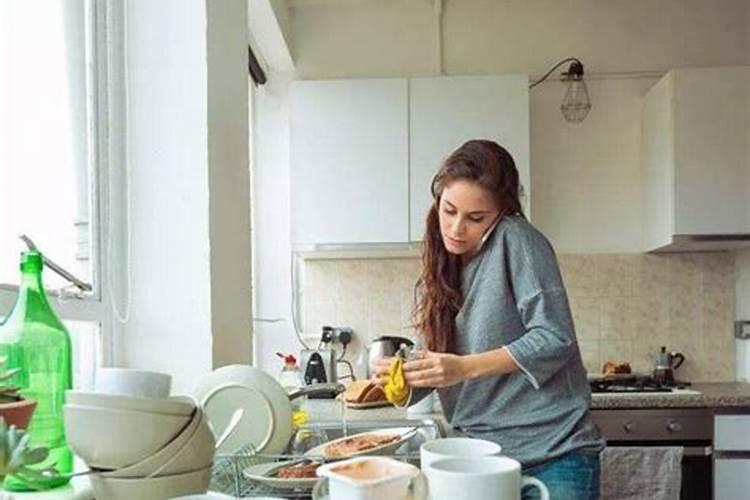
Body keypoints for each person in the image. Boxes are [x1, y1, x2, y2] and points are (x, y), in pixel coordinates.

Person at [375, 139, 604, 500]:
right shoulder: (442, 264)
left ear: (501, 212)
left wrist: (463, 367)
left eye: (475, 218)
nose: (455, 227)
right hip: (479, 457)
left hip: (552, 453)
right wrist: (404, 377)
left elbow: (554, 336)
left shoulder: (517, 239)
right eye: (448, 210)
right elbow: (444, 365)